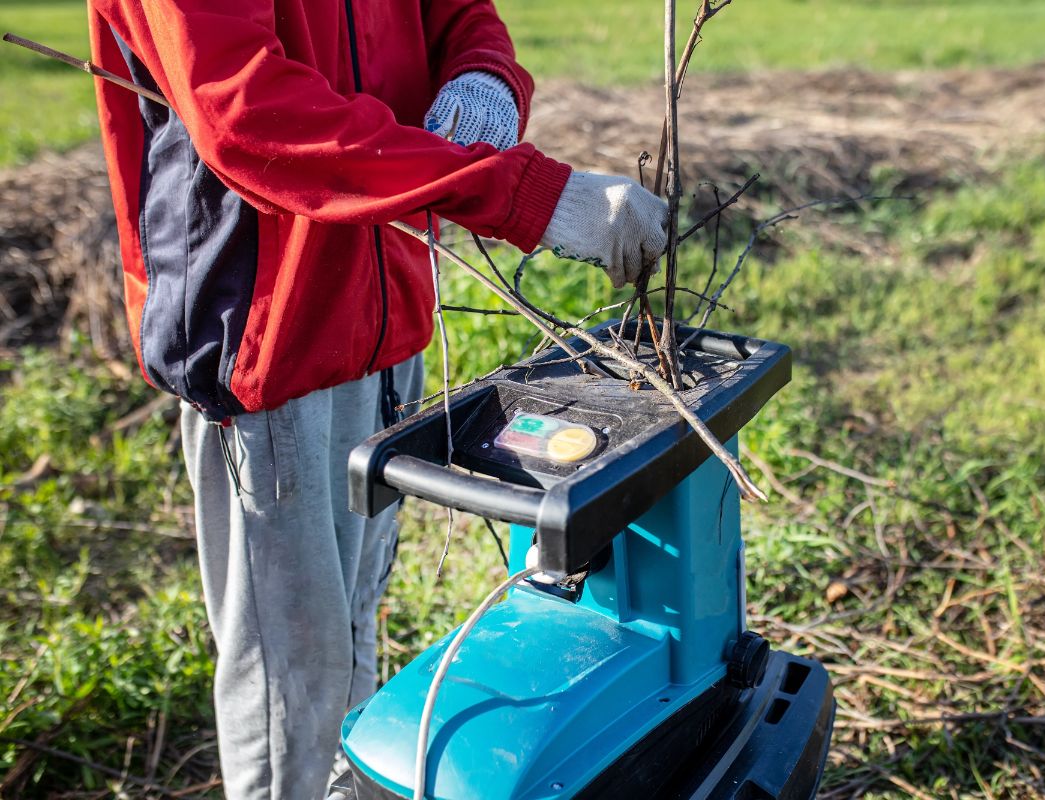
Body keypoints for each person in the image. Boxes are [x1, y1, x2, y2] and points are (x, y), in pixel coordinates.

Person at [84, 1, 668, 798]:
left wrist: (483, 74)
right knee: (289, 677)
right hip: (268, 342)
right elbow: (246, 114)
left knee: (355, 624)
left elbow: (460, 11)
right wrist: (526, 195)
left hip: (388, 317)